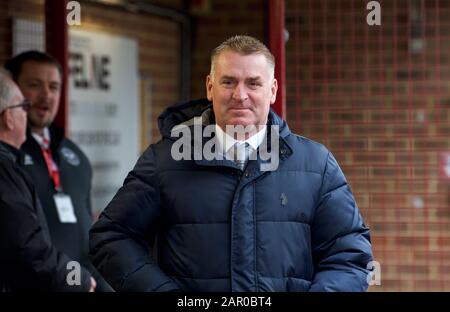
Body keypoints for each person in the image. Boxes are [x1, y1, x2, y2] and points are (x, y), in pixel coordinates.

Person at [89, 35, 373, 292]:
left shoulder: (316, 164)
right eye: (229, 82)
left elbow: (349, 255)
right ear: (210, 87)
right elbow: (111, 237)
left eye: (253, 83)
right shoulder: (166, 161)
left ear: (272, 90)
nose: (240, 95)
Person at [4, 51, 111, 291]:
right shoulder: (8, 158)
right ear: (14, 90)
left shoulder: (75, 156)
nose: (46, 95)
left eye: (54, 87)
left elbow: (86, 236)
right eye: (34, 85)